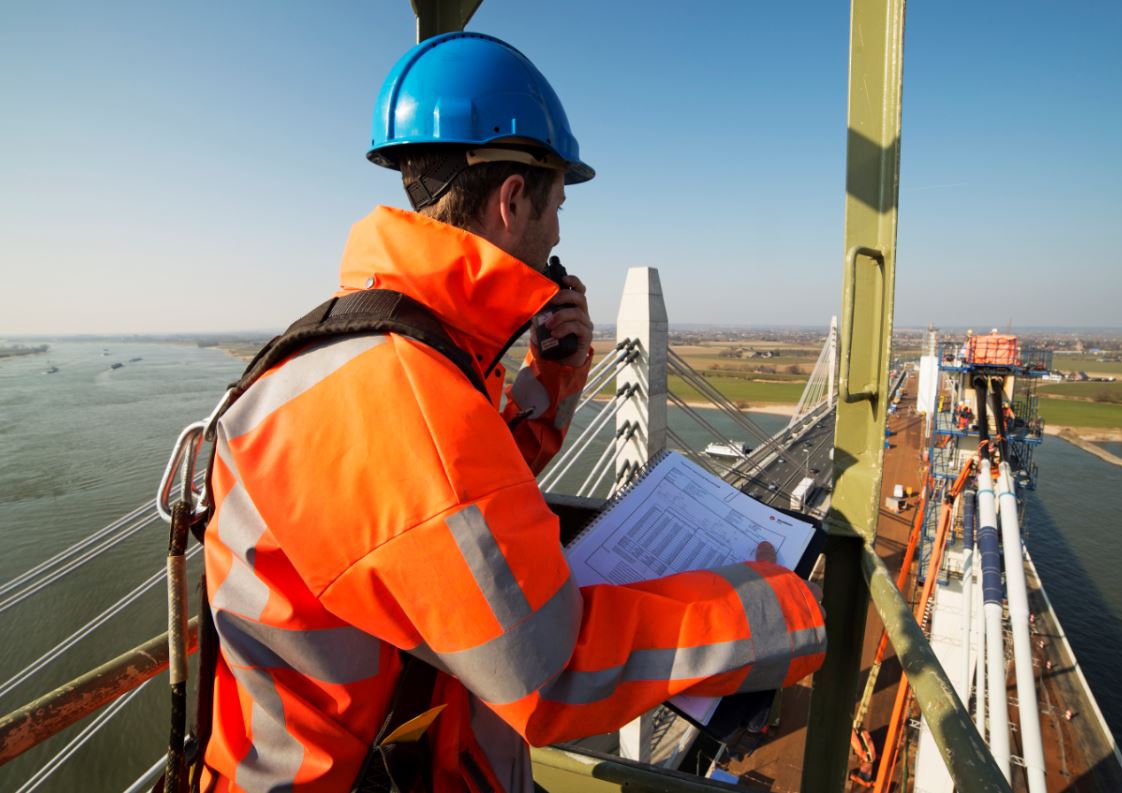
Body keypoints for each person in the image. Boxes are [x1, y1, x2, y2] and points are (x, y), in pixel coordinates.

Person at [199, 32, 826, 792]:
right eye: (556, 205)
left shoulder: (378, 348)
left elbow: (445, 524)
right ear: (513, 198)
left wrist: (549, 384)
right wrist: (776, 609)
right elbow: (548, 670)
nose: (558, 232)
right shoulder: (407, 392)